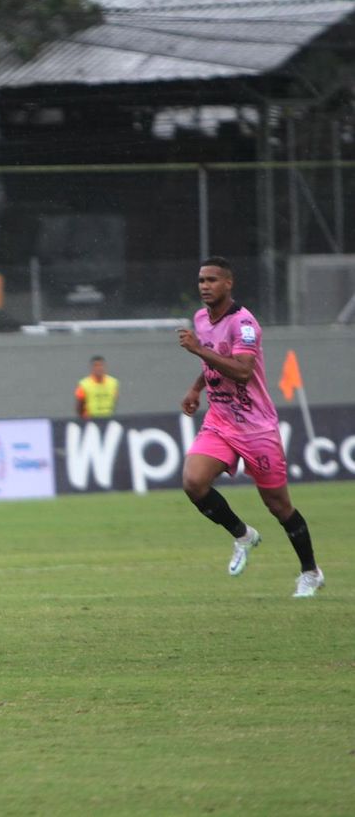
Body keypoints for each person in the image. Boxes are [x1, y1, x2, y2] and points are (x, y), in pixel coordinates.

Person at [176, 256, 323, 597]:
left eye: (212, 280)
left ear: (228, 284)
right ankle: (243, 535)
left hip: (256, 427)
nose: (204, 286)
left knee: (278, 506)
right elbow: (213, 357)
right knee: (193, 482)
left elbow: (241, 370)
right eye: (201, 280)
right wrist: (197, 388)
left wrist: (198, 350)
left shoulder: (244, 324)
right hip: (220, 421)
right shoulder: (201, 318)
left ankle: (310, 572)